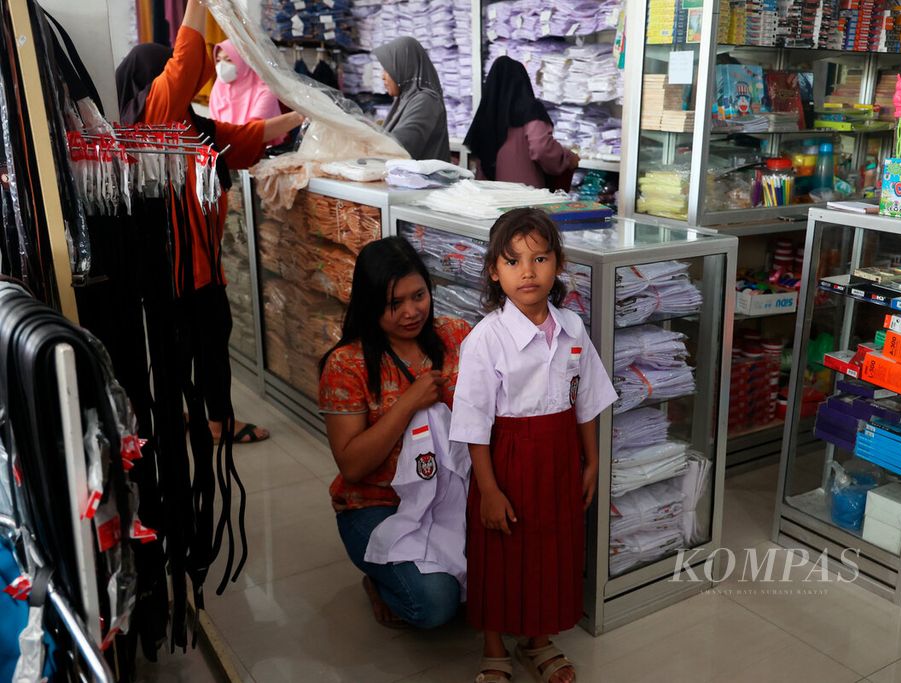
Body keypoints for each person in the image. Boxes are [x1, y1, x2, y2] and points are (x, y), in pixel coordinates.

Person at [116, 0, 300, 444]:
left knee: (206, 347)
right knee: (188, 350)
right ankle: (204, 420)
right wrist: (198, 4)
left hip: (200, 265)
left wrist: (304, 114)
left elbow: (243, 138)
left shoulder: (187, 126)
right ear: (149, 80)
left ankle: (208, 418)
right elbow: (183, 68)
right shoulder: (151, 120)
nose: (173, 81)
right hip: (176, 267)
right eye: (161, 74)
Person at [450, 209, 618, 683]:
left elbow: (585, 398)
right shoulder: (486, 339)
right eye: (513, 261)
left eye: (540, 258)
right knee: (500, 552)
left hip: (561, 456)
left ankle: (539, 640)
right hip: (506, 460)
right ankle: (494, 648)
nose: (528, 271)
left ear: (558, 264)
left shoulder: (572, 328)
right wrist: (488, 490)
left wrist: (591, 462)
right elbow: (473, 422)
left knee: (551, 550)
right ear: (492, 271)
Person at [318, 236, 470, 629]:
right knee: (436, 603)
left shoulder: (456, 335)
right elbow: (352, 466)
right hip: (378, 504)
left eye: (418, 295)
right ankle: (379, 582)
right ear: (371, 305)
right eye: (394, 304)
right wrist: (407, 403)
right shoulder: (347, 365)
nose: (410, 312)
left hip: (450, 495)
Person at [463, 56, 579, 189]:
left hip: (491, 196)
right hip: (524, 195)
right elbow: (541, 148)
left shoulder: (487, 114)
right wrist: (568, 158)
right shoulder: (530, 110)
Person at [372, 37, 450, 161]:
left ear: (404, 67)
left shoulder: (426, 101)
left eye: (387, 69)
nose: (383, 76)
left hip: (424, 180)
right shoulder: (405, 99)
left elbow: (400, 146)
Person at [209, 39, 282, 127]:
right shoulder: (219, 87)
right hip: (225, 139)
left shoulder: (265, 90)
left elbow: (255, 129)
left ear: (243, 61)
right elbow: (214, 124)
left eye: (228, 60)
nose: (221, 66)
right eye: (218, 60)